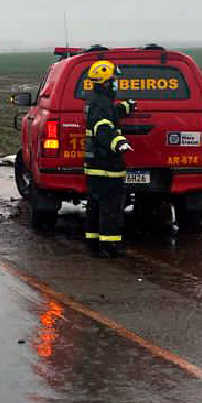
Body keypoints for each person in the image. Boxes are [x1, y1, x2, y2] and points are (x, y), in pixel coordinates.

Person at [83, 60, 135, 257]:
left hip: (96, 167)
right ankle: (109, 247)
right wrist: (118, 142)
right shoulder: (102, 104)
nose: (116, 84)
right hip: (107, 167)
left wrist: (125, 108)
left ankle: (93, 242)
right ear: (105, 83)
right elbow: (102, 128)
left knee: (95, 206)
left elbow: (109, 114)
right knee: (110, 209)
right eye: (114, 81)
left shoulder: (98, 102)